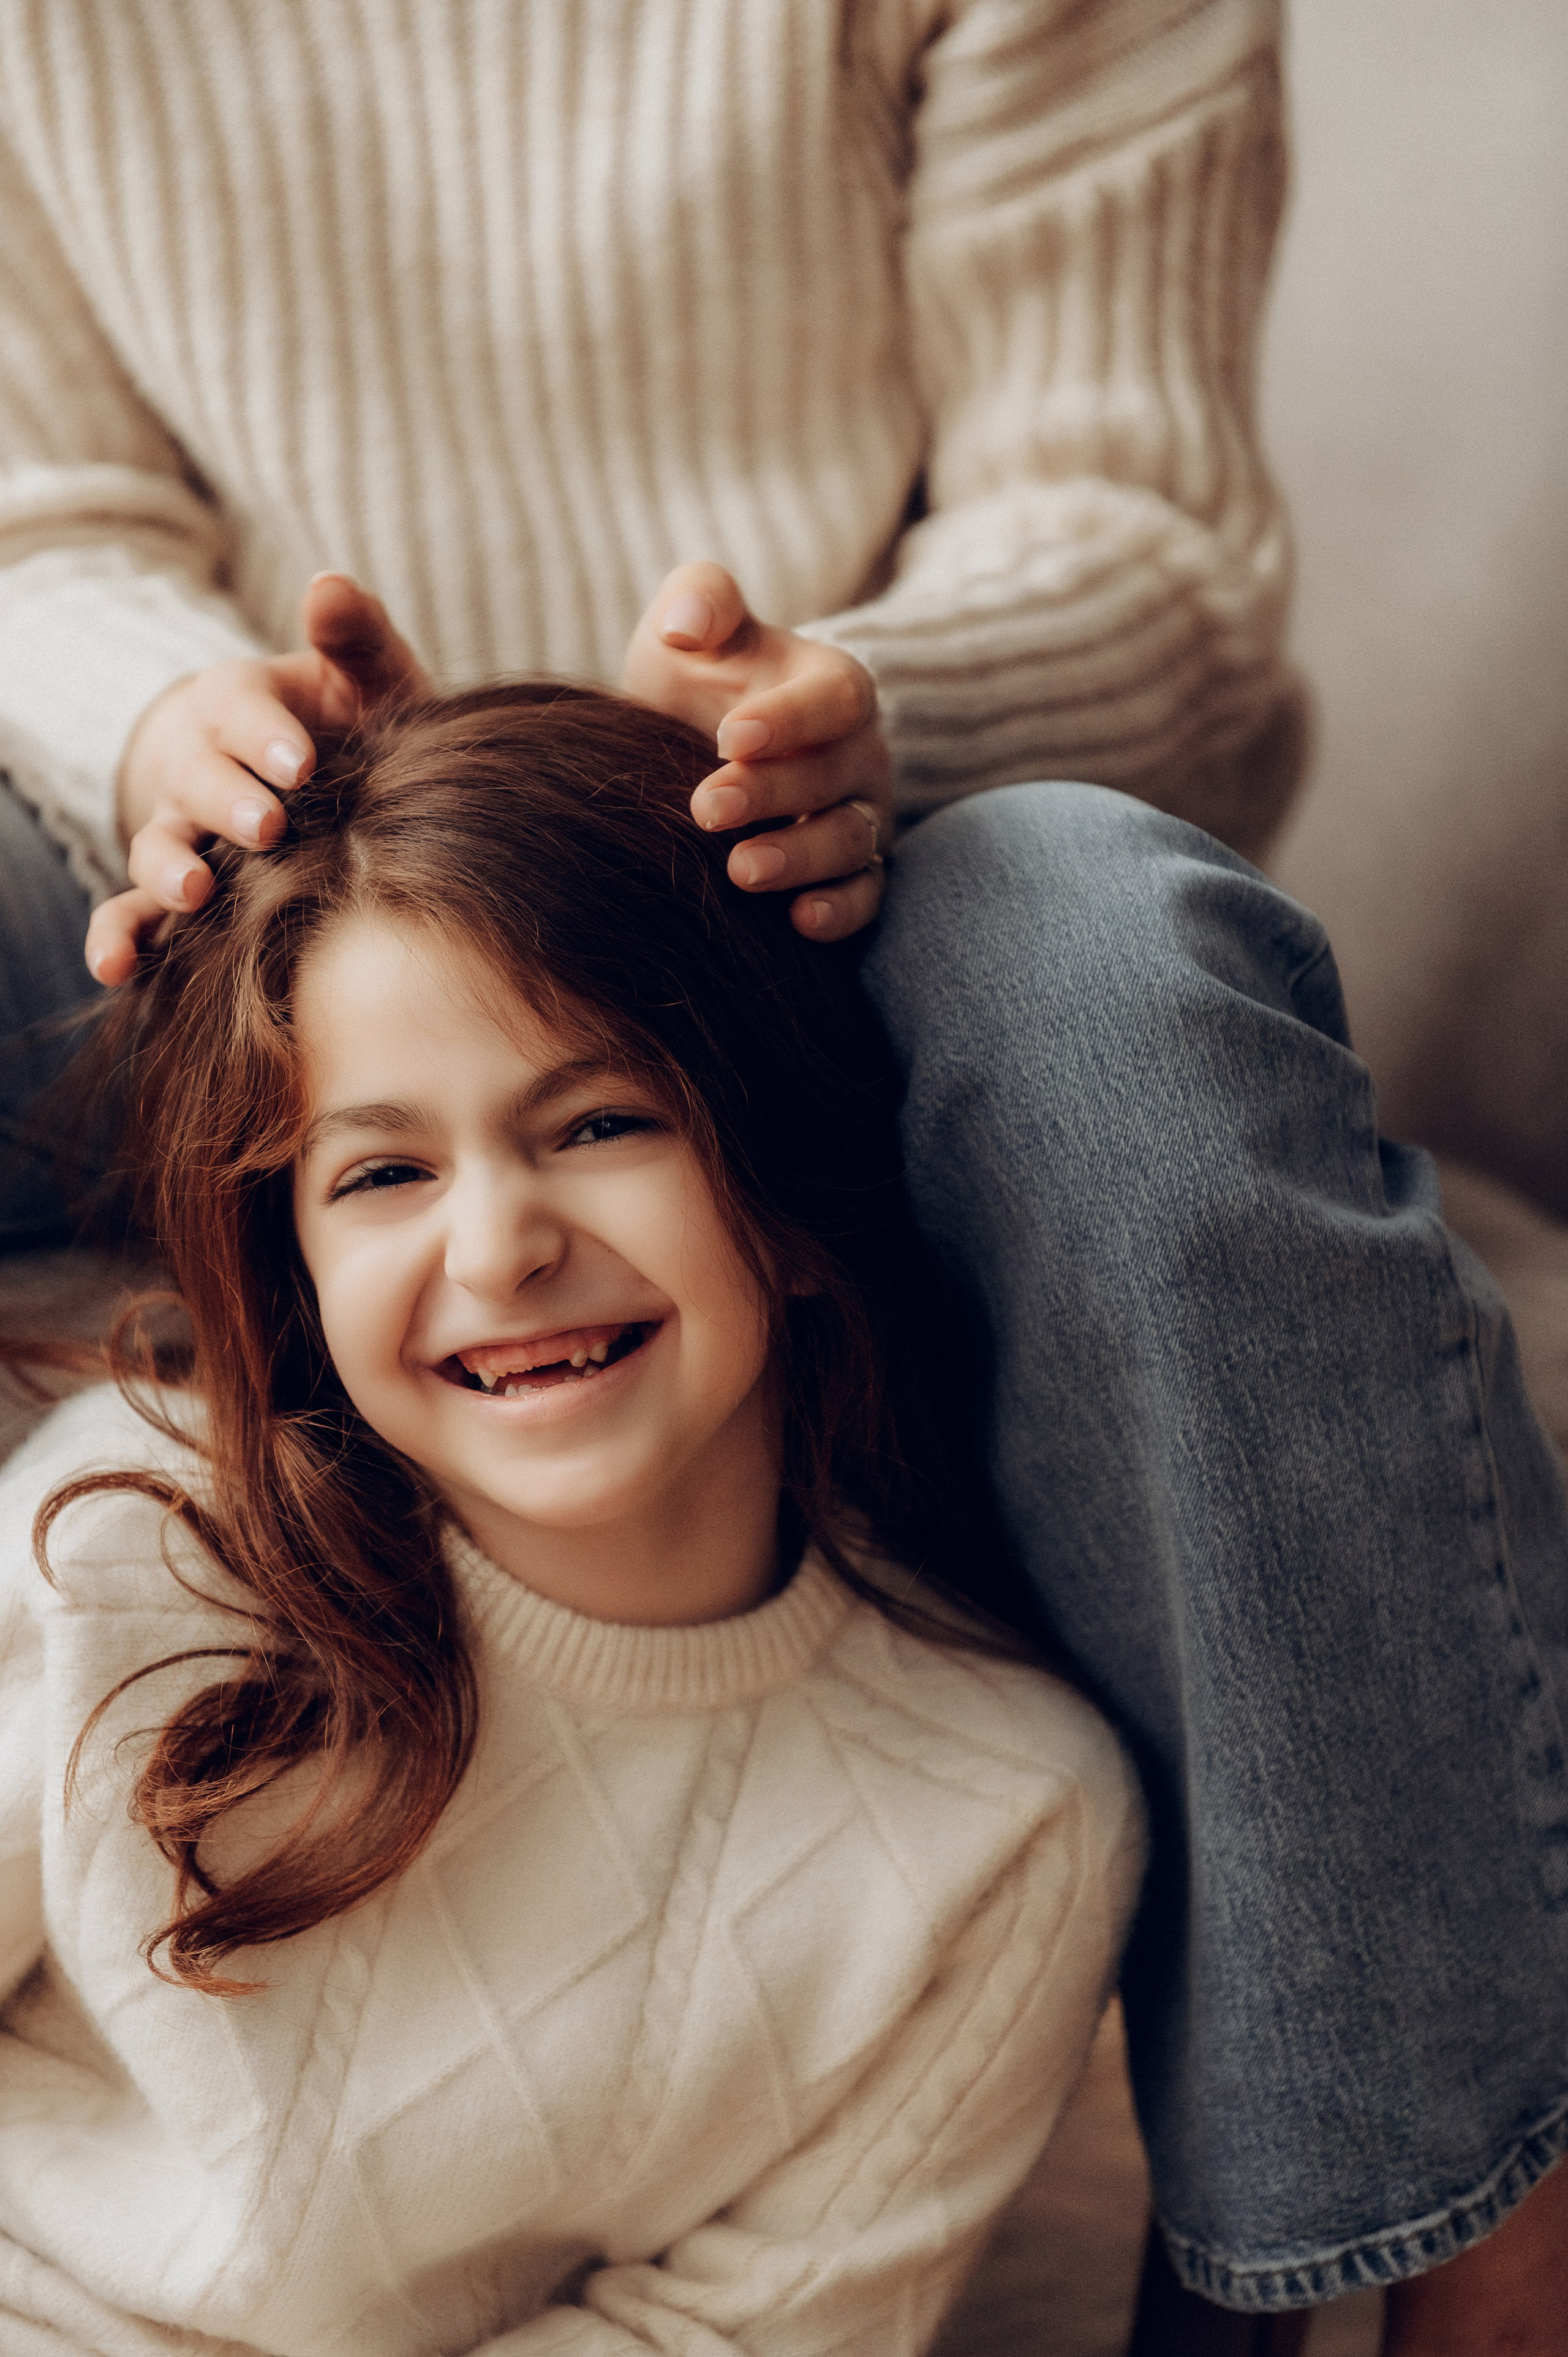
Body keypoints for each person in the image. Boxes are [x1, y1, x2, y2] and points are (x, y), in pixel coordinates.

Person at [0, 4, 1563, 2347]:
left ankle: (1457, 2232)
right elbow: (41, 508)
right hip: (215, 877)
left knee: (1121, 986)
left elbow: (1143, 546)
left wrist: (862, 709)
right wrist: (162, 720)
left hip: (801, 862)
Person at [0, 682, 1147, 2355]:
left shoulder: (1009, 1823)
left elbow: (733, 2335)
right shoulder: (131, 1545)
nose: (500, 1250)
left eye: (600, 1125)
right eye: (384, 1175)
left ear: (794, 1184)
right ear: (298, 1274)